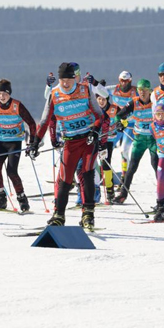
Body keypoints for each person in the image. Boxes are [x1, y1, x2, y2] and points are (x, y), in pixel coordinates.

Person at [34, 63, 108, 231]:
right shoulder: (54, 94)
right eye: (62, 79)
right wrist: (35, 141)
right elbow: (45, 120)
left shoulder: (85, 90)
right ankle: (59, 216)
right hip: (70, 142)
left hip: (88, 140)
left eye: (69, 79)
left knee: (87, 173)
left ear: (75, 78)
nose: (66, 83)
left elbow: (99, 115)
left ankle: (88, 214)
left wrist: (95, 131)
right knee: (65, 180)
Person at [0, 79, 37, 212]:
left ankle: (22, 199)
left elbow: (31, 123)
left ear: (9, 94)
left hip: (14, 142)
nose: (2, 96)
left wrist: (31, 142)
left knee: (11, 171)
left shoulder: (17, 105)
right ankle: (1, 198)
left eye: (5, 94)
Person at [113, 79, 163, 204]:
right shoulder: (134, 102)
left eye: (145, 90)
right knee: (132, 167)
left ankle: (163, 197)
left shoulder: (155, 102)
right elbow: (118, 115)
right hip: (139, 139)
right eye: (140, 90)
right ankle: (123, 194)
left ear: (149, 91)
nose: (142, 93)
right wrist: (120, 123)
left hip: (153, 139)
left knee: (156, 165)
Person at [108, 71, 135, 180]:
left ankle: (124, 177)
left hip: (130, 124)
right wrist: (96, 84)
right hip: (117, 123)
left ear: (130, 81)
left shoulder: (136, 91)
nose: (124, 83)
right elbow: (99, 90)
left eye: (126, 81)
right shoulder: (114, 89)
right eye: (122, 80)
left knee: (124, 150)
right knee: (107, 147)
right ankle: (105, 173)